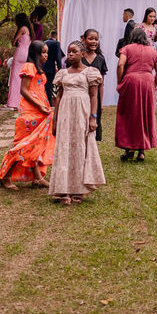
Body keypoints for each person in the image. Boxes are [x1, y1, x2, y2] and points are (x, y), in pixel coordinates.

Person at [49, 42, 106, 204]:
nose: (71, 54)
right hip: (65, 112)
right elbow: (58, 96)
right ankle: (63, 189)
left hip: (82, 111)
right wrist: (55, 118)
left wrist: (93, 117)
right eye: (69, 52)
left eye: (74, 51)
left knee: (80, 146)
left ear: (82, 53)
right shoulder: (63, 73)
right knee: (64, 147)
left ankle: (79, 189)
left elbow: (94, 96)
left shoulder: (90, 72)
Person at [0, 41, 55, 189]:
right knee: (23, 146)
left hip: (40, 110)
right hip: (30, 111)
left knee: (36, 144)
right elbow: (23, 90)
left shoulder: (38, 68)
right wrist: (39, 105)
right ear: (36, 53)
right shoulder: (29, 67)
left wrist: (45, 106)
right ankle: (6, 176)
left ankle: (37, 178)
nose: (46, 55)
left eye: (47, 52)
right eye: (43, 52)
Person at [114, 28, 157, 162]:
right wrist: (153, 84)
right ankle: (141, 151)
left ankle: (128, 148)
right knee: (145, 114)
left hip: (131, 80)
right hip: (147, 81)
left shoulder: (127, 48)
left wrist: (119, 81)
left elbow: (120, 65)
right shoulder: (152, 51)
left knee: (128, 114)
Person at [80, 29, 109, 142]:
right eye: (90, 39)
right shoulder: (79, 58)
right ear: (84, 40)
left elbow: (101, 84)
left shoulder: (100, 59)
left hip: (94, 97)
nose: (94, 41)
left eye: (96, 39)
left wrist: (100, 103)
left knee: (93, 123)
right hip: (81, 95)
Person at [6, 12, 32, 108]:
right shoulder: (30, 30)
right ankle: (23, 101)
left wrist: (16, 41)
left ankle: (13, 102)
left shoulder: (22, 29)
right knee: (23, 78)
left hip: (19, 53)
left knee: (15, 78)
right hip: (27, 54)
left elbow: (13, 42)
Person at [44, 31, 65, 104]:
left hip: (42, 67)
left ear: (50, 35)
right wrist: (60, 70)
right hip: (50, 67)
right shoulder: (56, 43)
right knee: (49, 87)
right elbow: (58, 57)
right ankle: (49, 103)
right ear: (56, 37)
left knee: (43, 86)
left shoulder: (43, 43)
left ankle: (43, 102)